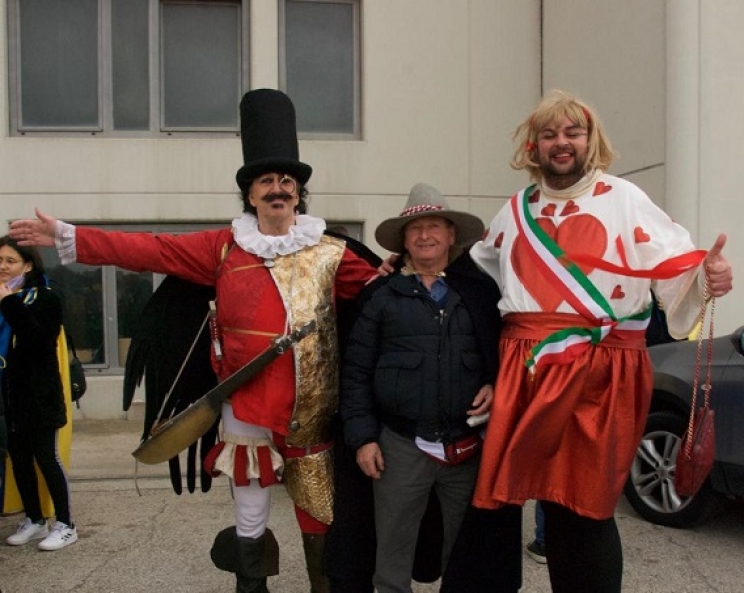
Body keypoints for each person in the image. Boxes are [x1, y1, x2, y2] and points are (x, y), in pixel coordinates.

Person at [10, 89, 377, 593]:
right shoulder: (223, 248)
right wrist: (70, 235)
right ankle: (251, 588)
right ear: (250, 195)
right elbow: (149, 249)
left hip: (312, 410)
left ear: (298, 195)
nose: (278, 189)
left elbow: (386, 296)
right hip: (246, 410)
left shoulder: (333, 253)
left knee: (320, 518)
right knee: (251, 514)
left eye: (287, 182)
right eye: (266, 182)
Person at [468, 89, 733, 593]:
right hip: (529, 364)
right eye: (549, 134)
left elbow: (677, 272)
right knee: (539, 499)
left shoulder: (625, 199)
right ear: (533, 145)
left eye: (573, 132)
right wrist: (407, 265)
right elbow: (479, 277)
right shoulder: (515, 209)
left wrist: (708, 277)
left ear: (591, 141)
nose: (561, 143)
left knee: (587, 506)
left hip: (602, 367)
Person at [341, 183, 501, 593]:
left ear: (451, 235)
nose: (425, 235)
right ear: (404, 239)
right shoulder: (379, 295)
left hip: (467, 447)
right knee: (391, 556)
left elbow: (504, 354)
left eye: (434, 226)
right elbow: (355, 372)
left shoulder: (482, 292)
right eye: (415, 228)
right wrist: (363, 438)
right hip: (399, 445)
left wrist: (495, 384)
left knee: (467, 556)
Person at [0, 236, 77, 551]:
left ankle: (66, 524)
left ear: (28, 265)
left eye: (10, 261)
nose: (3, 267)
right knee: (18, 460)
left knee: (47, 458)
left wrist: (8, 303)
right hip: (10, 395)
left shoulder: (45, 297)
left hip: (40, 395)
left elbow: (38, 341)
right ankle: (34, 519)